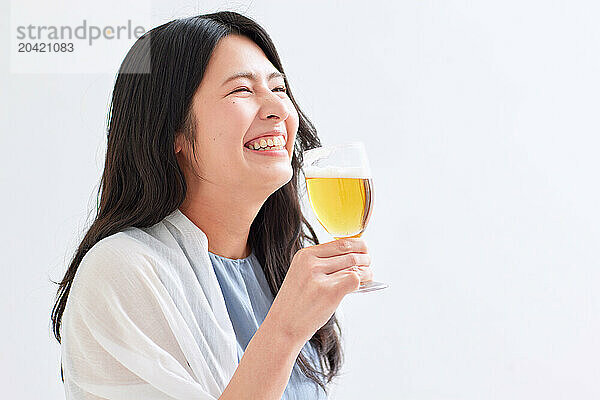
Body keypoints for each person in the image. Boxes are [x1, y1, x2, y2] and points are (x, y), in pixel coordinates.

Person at [50, 11, 373, 400]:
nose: (278, 110)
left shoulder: (279, 264)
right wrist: (284, 329)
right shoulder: (122, 270)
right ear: (172, 133)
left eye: (279, 88)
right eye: (241, 90)